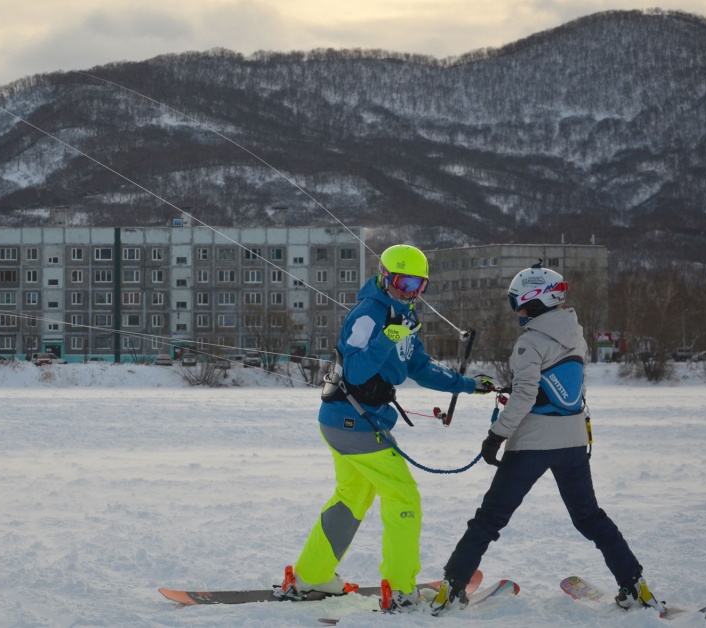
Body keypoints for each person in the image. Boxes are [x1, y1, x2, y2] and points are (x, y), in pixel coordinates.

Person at [429, 262, 664, 614]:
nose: (516, 311)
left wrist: (495, 436)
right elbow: (559, 387)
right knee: (590, 518)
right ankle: (635, 586)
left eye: (516, 303)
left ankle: (451, 589)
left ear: (532, 302)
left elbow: (525, 396)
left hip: (532, 446)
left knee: (489, 519)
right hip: (571, 444)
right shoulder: (577, 335)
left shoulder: (529, 342)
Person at [278, 244, 496, 613]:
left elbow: (421, 367)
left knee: (353, 497)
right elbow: (357, 370)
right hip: (354, 422)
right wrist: (388, 337)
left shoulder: (403, 312)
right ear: (385, 275)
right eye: (403, 282)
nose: (410, 292)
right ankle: (399, 588)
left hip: (352, 421)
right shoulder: (369, 314)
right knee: (403, 497)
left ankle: (312, 575)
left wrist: (468, 385)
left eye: (418, 285)